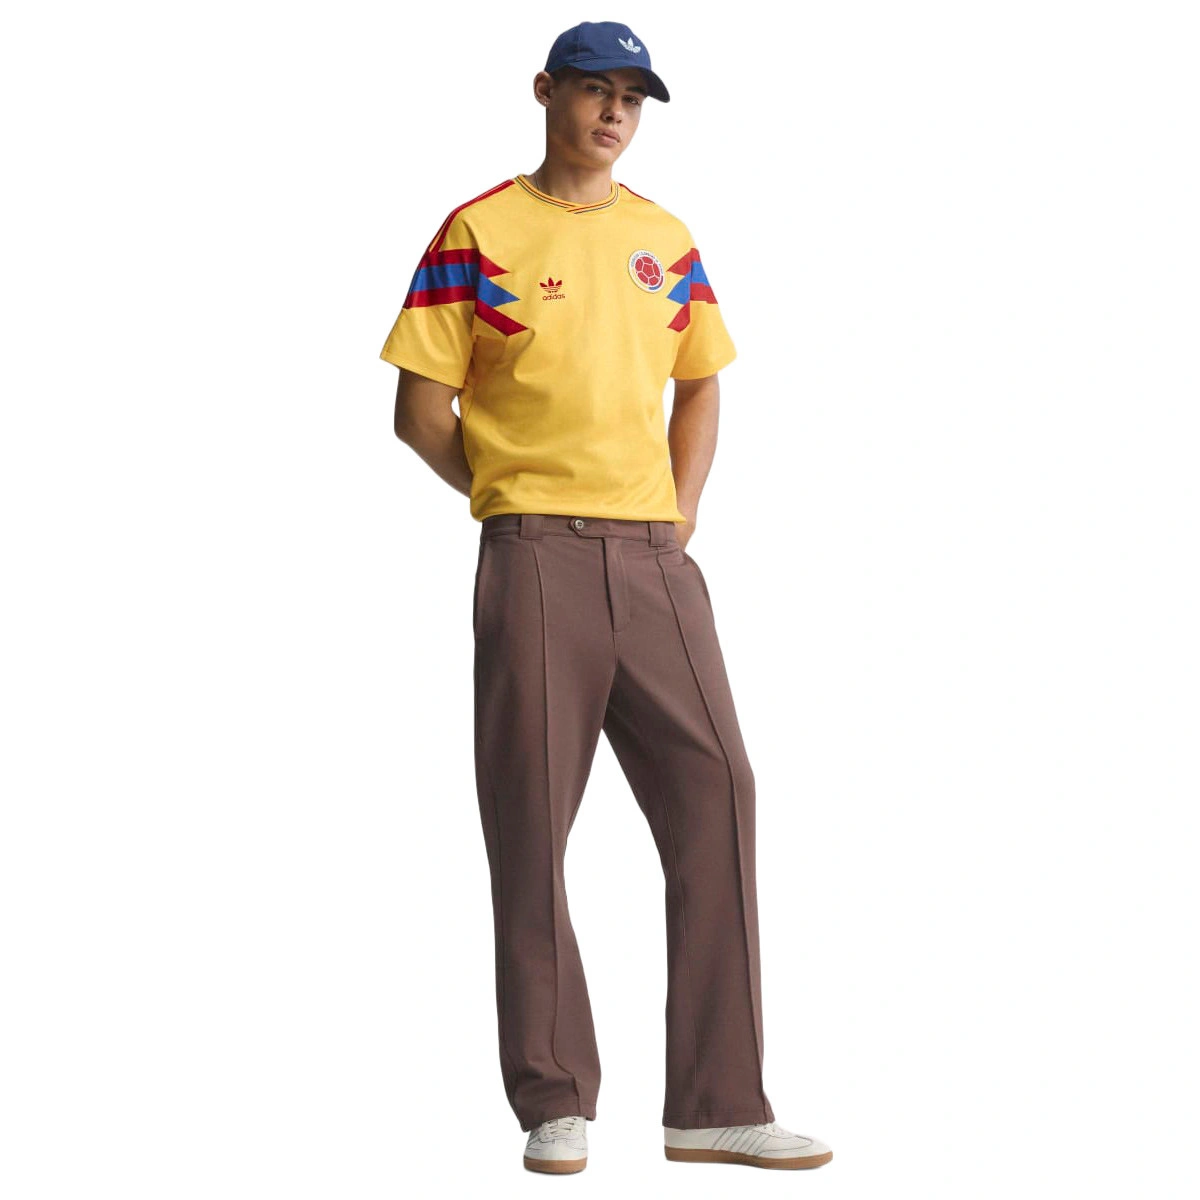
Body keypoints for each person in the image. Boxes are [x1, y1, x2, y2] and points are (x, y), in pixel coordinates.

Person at [379, 19, 832, 1175]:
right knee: (532, 819)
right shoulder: (478, 231)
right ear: (547, 92)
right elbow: (420, 411)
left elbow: (702, 383)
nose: (615, 111)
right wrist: (512, 491)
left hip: (655, 562)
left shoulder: (665, 240)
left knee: (718, 790)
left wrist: (681, 511)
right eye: (594, 89)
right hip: (534, 556)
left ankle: (716, 1101)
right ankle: (554, 1096)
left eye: (633, 94)